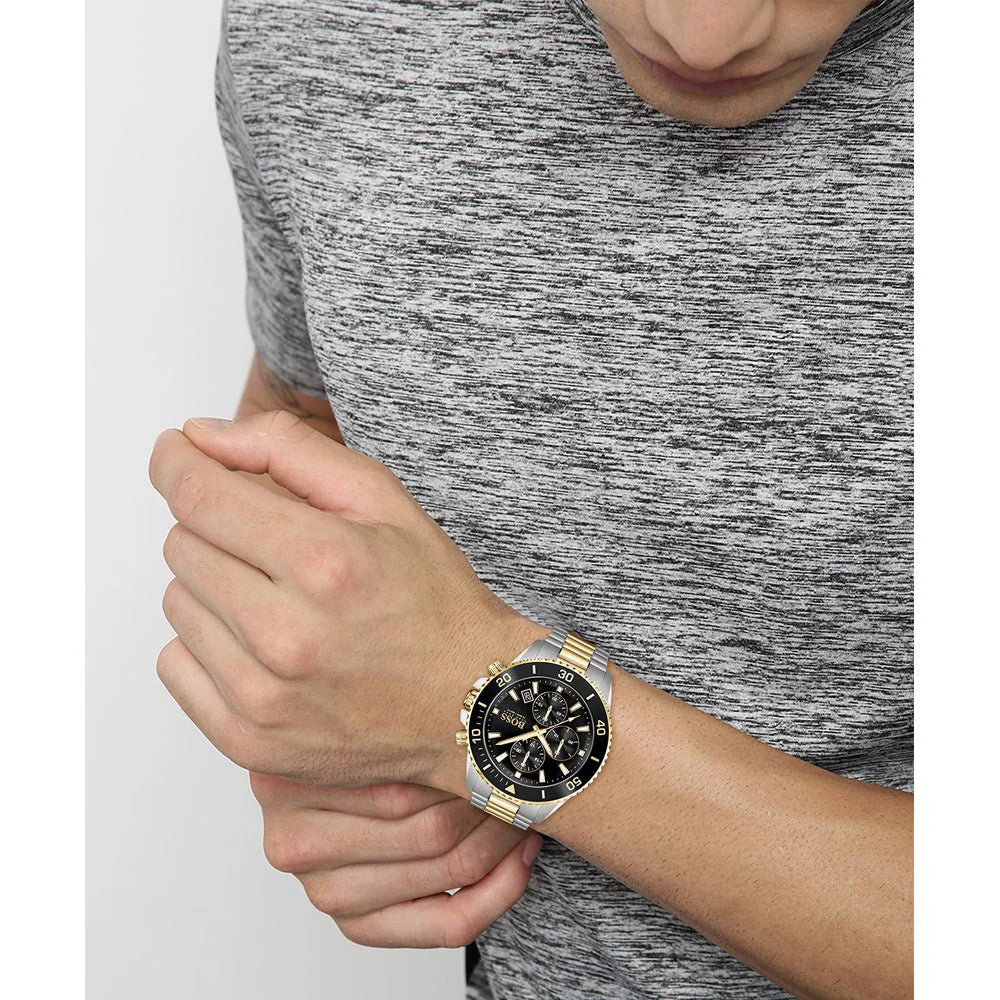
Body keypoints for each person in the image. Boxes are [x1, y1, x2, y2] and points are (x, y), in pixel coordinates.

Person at [149, 1, 913, 997]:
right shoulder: (319, 27)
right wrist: (327, 737)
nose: (702, 33)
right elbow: (304, 414)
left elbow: (446, 694)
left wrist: (480, 713)